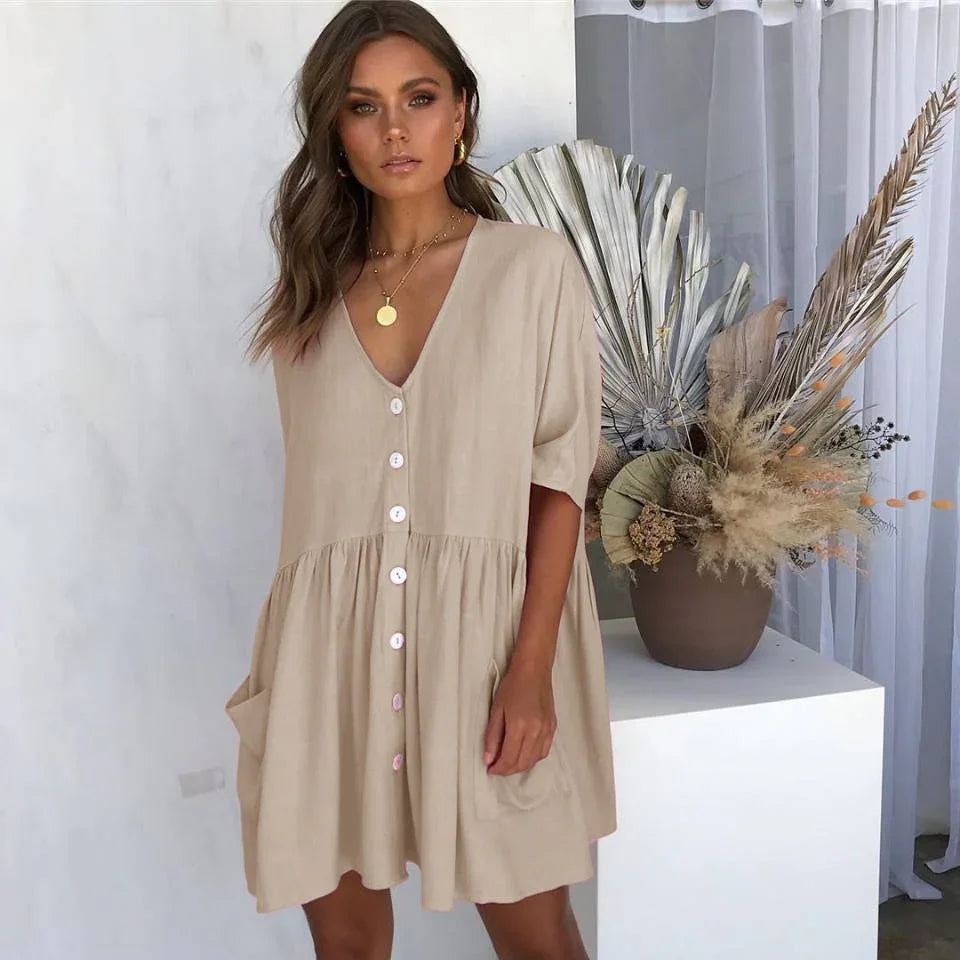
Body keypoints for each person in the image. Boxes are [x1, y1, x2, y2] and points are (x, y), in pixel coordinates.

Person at [224, 1, 616, 957]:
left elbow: (558, 480)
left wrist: (529, 672)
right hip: (332, 670)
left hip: (487, 655)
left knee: (537, 936)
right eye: (364, 107)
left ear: (462, 115)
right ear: (336, 131)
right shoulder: (307, 299)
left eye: (420, 97)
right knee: (347, 944)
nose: (396, 128)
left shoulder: (532, 268)